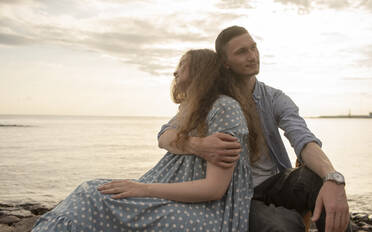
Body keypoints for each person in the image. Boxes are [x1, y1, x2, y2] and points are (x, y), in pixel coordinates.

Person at [32, 49, 254, 232]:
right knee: (92, 192)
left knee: (92, 195)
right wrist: (197, 145)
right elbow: (163, 137)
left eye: (183, 65)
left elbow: (213, 190)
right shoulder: (190, 109)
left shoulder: (224, 108)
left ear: (200, 71)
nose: (175, 72)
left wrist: (144, 189)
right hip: (175, 199)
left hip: (206, 214)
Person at [158, 26, 351, 232]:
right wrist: (199, 145)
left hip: (274, 184)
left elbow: (303, 140)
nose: (252, 56)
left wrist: (333, 177)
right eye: (241, 52)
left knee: (315, 178)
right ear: (225, 63)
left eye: (253, 48)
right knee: (283, 226)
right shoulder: (213, 100)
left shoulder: (274, 98)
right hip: (237, 194)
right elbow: (164, 136)